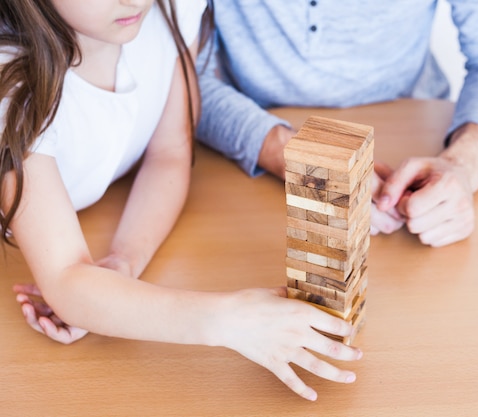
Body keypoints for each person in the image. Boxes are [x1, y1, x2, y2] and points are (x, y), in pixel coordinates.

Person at [2, 0, 362, 401]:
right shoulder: (12, 86)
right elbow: (66, 281)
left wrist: (123, 261)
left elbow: (170, 153)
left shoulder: (167, 11)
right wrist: (230, 320)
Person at [195, 0, 478, 247]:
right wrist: (285, 151)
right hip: (246, 152)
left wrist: (464, 162)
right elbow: (185, 75)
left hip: (416, 140)